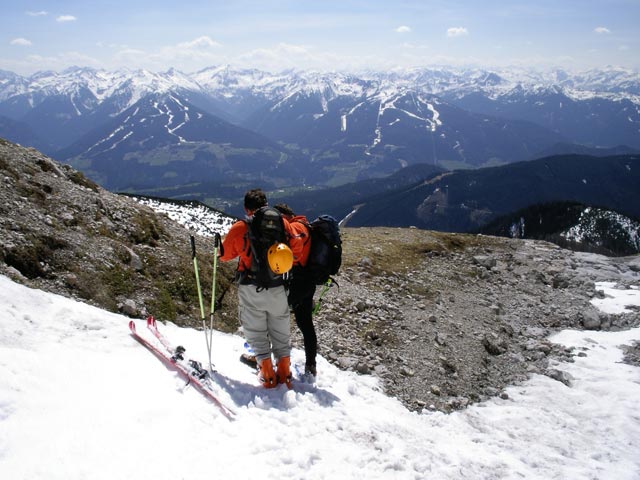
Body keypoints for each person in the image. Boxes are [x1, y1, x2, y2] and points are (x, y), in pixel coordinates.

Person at [219, 189, 293, 388]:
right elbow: (297, 248)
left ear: (246, 208)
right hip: (279, 286)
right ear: (266, 204)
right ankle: (285, 372)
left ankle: (267, 374)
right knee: (280, 330)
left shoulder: (242, 227)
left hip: (252, 286)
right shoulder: (283, 223)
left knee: (256, 330)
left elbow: (224, 255)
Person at [273, 203, 318, 377]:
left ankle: (268, 360)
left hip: (298, 282)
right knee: (305, 323)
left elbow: (295, 253)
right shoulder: (305, 226)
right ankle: (311, 364)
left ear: (284, 216)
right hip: (308, 282)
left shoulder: (296, 227)